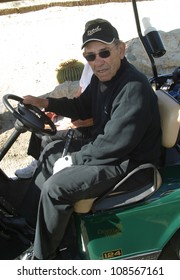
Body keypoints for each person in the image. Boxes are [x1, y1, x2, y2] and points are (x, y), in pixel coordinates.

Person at [17, 18, 162, 260]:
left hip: (131, 164)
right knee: (51, 152)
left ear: (121, 49)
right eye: (90, 57)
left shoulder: (132, 87)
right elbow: (82, 106)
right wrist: (46, 103)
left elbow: (115, 144)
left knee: (56, 187)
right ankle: (40, 229)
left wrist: (74, 159)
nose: (98, 62)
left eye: (104, 52)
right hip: (111, 151)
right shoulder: (103, 78)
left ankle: (43, 259)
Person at [15, 59, 93, 179]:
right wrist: (52, 109)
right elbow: (77, 101)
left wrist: (68, 124)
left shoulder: (100, 75)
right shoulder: (88, 68)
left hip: (88, 126)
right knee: (40, 126)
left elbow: (94, 115)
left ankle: (43, 172)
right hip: (79, 118)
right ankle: (36, 162)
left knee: (48, 136)